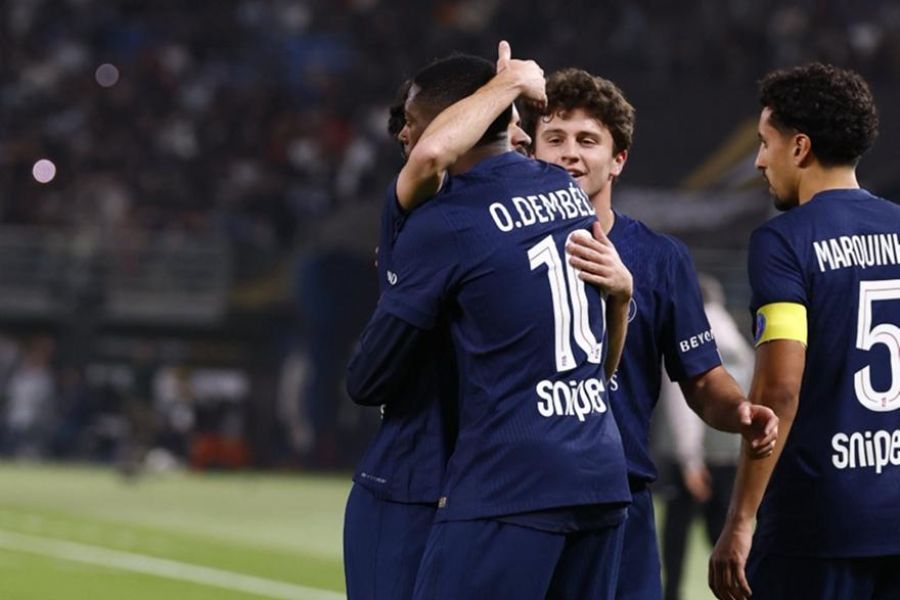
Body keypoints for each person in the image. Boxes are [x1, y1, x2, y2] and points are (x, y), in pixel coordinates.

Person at [348, 44, 634, 600]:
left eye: (413, 122)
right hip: (598, 469)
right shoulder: (565, 193)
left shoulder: (447, 219)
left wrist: (510, 85)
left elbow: (367, 380)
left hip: (501, 477)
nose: (405, 136)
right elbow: (602, 372)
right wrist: (622, 300)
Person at [523, 68, 778, 600]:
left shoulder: (661, 259)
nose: (569, 153)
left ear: (618, 159)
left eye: (587, 140)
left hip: (620, 496)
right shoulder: (499, 247)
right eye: (555, 137)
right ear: (531, 152)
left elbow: (701, 378)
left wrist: (738, 411)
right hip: (521, 493)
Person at [709, 62, 900, 600]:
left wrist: (740, 519)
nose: (759, 160)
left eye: (765, 142)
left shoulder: (785, 241)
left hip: (818, 522)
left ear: (799, 147)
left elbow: (779, 390)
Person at [343, 69, 534, 600]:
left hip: (487, 485)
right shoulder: (424, 206)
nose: (520, 138)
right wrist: (510, 84)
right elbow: (430, 157)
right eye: (507, 125)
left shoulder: (521, 212)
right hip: (412, 475)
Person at [657, 274, 754, 600]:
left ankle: (671, 593)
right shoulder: (736, 338)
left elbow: (682, 403)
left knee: (677, 535)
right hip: (730, 452)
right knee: (724, 532)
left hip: (697, 454)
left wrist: (690, 459)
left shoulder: (691, 333)